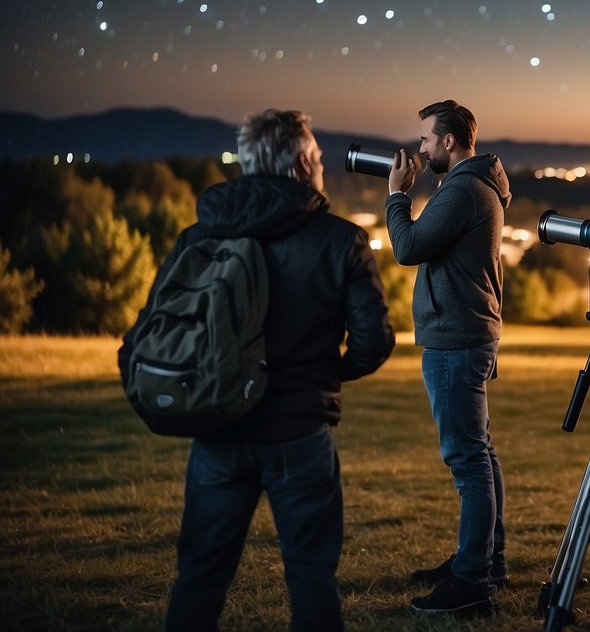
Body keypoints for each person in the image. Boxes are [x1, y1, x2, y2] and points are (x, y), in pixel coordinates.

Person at [118, 109, 395, 631]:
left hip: (218, 429)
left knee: (199, 575)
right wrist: (324, 376)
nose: (319, 164)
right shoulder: (341, 241)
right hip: (299, 432)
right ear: (299, 164)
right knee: (311, 578)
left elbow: (147, 334)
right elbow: (373, 342)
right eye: (315, 156)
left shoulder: (199, 237)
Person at [385, 99, 512, 615]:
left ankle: (471, 582)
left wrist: (396, 196)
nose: (420, 149)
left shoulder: (462, 190)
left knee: (468, 461)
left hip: (456, 338)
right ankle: (483, 559)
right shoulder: (472, 187)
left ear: (450, 142)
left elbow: (408, 246)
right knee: (480, 452)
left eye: (425, 141)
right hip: (465, 332)